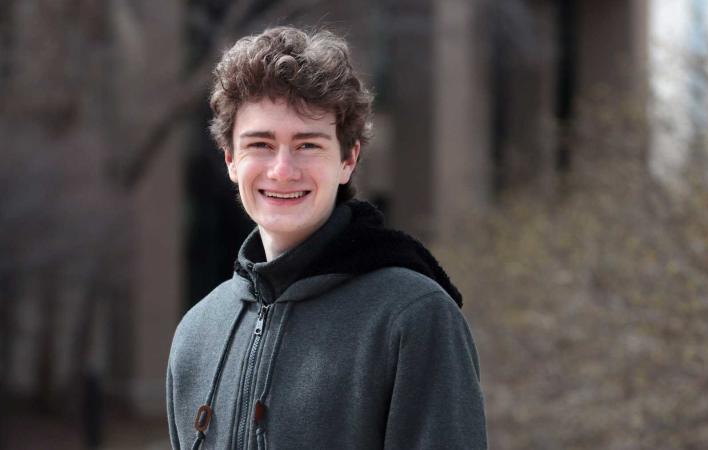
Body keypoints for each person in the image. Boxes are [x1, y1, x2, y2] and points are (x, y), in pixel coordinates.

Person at [166, 26, 487, 450]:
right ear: (231, 160)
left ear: (348, 160)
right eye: (260, 144)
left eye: (308, 145)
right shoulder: (197, 333)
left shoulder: (413, 318)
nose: (282, 170)